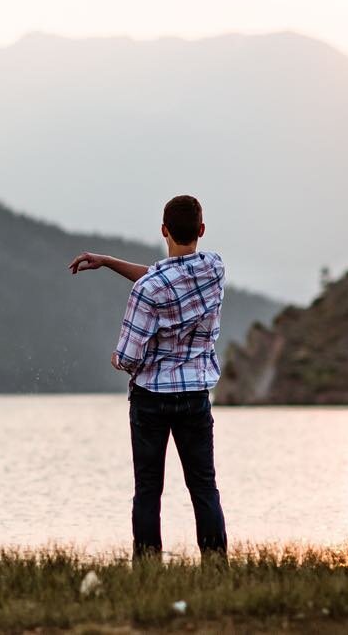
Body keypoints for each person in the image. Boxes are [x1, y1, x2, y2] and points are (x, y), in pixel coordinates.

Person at [69, 194, 229, 561]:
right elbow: (166, 277)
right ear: (201, 230)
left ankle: (147, 567)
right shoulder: (215, 269)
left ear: (163, 231)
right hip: (196, 395)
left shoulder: (147, 291)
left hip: (151, 400)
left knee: (148, 489)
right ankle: (217, 565)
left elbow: (127, 358)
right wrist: (108, 262)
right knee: (204, 486)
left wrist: (116, 359)